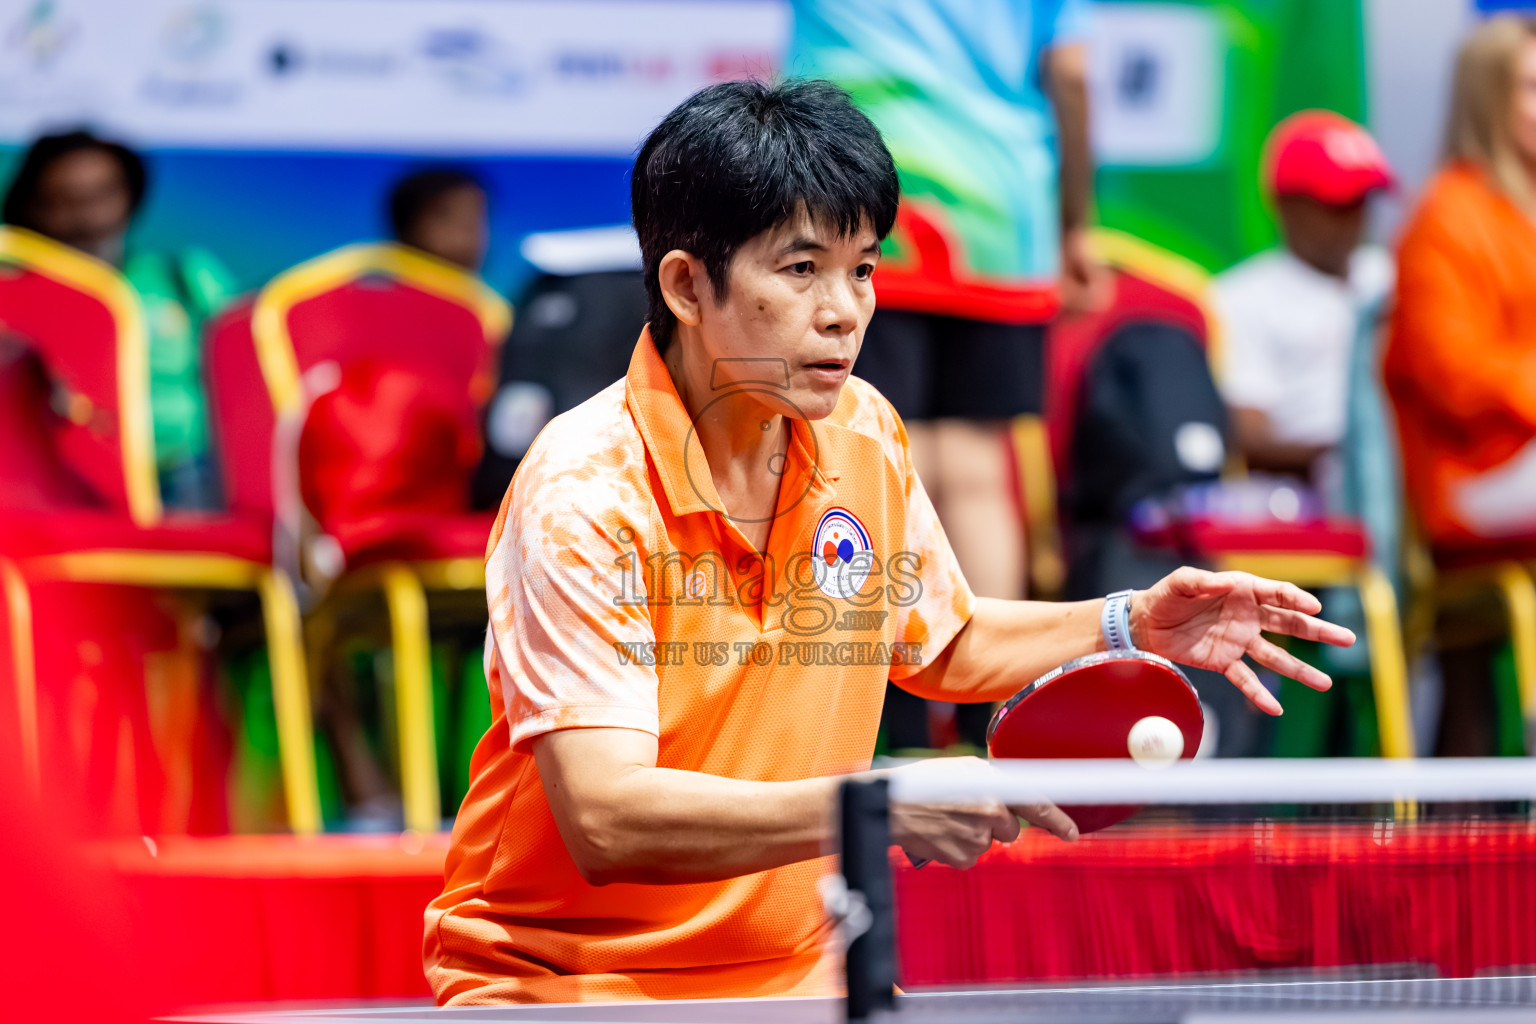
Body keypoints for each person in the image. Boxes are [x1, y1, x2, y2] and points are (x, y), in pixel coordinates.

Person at [423, 79, 1353, 1005]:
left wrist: (1129, 623)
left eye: (863, 268)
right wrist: (878, 804)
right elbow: (606, 816)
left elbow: (941, 642)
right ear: (685, 285)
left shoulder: (859, 429)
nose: (846, 311)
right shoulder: (585, 491)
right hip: (567, 986)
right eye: (800, 270)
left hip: (800, 983)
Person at [790, 0, 1106, 749]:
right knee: (972, 469)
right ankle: (985, 722)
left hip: (856, 207)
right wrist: (1077, 224)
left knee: (864, 460)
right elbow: (1070, 74)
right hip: (999, 214)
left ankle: (880, 722)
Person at [1384, 15, 1536, 755]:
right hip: (1473, 484)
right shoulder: (1448, 217)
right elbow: (1454, 376)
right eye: (1531, 87)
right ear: (1487, 98)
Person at [2, 130, 237, 508]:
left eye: (102, 194)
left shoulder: (185, 277)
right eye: (63, 199)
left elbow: (249, 383)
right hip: (55, 485)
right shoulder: (12, 296)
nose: (87, 215)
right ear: (29, 206)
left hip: (189, 480)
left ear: (131, 197)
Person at [1213, 111, 1395, 486]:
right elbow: (1250, 435)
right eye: (1338, 203)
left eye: (1363, 200)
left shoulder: (1390, 276)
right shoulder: (1242, 298)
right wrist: (1352, 456)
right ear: (1287, 205)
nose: (1355, 219)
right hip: (1303, 502)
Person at [388, 167, 488, 272]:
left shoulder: (474, 287)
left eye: (475, 218)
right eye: (448, 217)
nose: (468, 232)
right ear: (410, 225)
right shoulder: (379, 284)